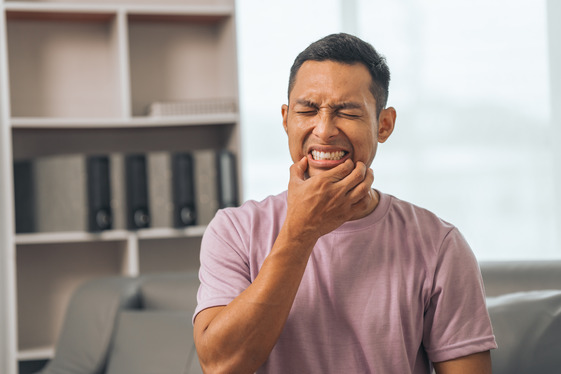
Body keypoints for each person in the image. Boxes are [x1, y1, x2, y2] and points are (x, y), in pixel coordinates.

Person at [193, 33, 497, 374]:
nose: (323, 131)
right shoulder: (234, 230)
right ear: (285, 119)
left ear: (384, 124)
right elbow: (220, 365)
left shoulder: (439, 245)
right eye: (307, 110)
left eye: (347, 112)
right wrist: (301, 231)